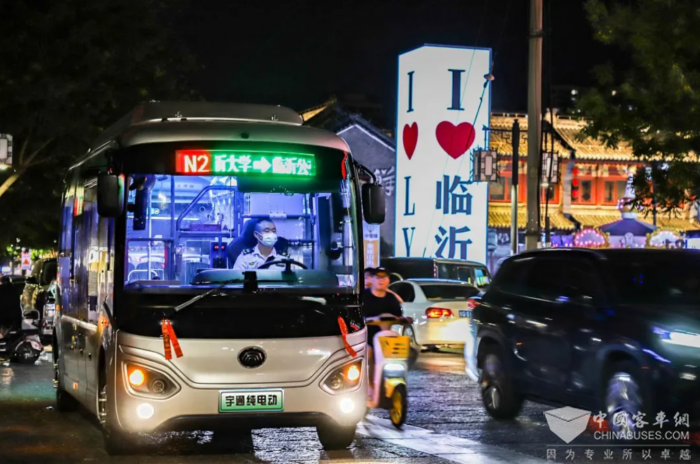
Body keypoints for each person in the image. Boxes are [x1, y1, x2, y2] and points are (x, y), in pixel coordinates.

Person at [363, 267, 402, 380]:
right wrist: (370, 319)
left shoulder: (391, 298)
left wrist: (404, 320)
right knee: (368, 354)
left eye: (384, 277)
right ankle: (367, 383)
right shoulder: (363, 296)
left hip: (386, 338)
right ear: (372, 279)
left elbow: (399, 316)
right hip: (366, 337)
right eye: (378, 277)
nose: (381, 280)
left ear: (388, 281)